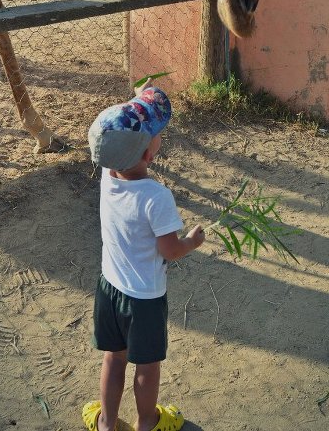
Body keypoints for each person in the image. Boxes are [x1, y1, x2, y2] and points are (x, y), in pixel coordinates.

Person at [83, 80, 205, 431]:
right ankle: (148, 422)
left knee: (114, 358)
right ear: (150, 154)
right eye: (156, 132)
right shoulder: (156, 197)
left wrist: (137, 101)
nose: (159, 135)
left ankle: (107, 422)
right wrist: (192, 242)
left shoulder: (108, 175)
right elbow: (170, 250)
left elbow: (116, 141)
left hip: (109, 289)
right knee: (147, 367)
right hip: (144, 300)